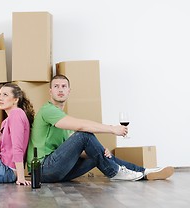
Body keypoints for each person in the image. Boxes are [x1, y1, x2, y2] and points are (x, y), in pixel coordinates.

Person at [26, 74, 174, 182]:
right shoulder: (48, 111)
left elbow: (77, 151)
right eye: (56, 86)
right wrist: (112, 129)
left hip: (57, 170)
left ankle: (143, 172)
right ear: (50, 91)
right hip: (42, 169)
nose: (60, 89)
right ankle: (115, 171)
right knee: (84, 135)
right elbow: (82, 127)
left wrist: (100, 151)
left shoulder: (62, 117)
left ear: (69, 91)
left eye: (64, 86)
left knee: (100, 154)